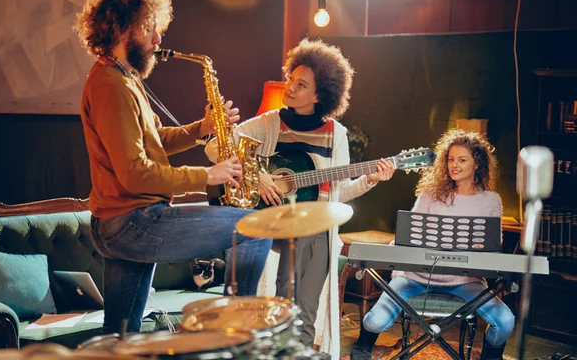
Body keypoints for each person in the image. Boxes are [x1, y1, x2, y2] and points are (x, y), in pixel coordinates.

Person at [74, 0, 272, 334]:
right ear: (122, 29)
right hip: (133, 221)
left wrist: (201, 129)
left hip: (121, 221)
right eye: (150, 27)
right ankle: (239, 331)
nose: (157, 39)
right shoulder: (110, 85)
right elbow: (135, 173)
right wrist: (209, 175)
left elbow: (154, 141)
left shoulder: (123, 79)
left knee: (121, 335)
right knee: (256, 227)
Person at [205, 38, 396, 358]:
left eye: (301, 84)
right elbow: (216, 149)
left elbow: (339, 193)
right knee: (265, 317)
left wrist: (369, 180)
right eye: (291, 78)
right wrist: (258, 175)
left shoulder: (336, 135)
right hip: (268, 233)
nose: (290, 87)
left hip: (313, 236)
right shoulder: (269, 124)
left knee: (302, 324)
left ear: (320, 94)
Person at [351, 129, 515, 360]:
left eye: (462, 160)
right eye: (450, 159)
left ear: (477, 164)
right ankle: (362, 348)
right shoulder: (430, 194)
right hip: (415, 278)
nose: (454, 165)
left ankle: (491, 357)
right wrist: (396, 253)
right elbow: (411, 236)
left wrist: (481, 251)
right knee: (376, 321)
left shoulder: (490, 201)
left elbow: (492, 245)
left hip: (465, 282)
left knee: (505, 321)